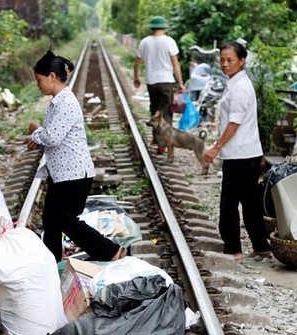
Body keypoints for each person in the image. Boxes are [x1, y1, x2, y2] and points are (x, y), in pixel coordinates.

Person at [26, 50, 126, 263]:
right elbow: (51, 134)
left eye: (39, 80)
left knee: (66, 220)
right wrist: (39, 134)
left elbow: (51, 136)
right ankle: (51, 264)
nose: (38, 85)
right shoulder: (57, 102)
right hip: (61, 174)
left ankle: (111, 252)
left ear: (52, 77)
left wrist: (37, 133)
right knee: (51, 221)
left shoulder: (66, 102)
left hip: (74, 174)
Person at [202, 42, 272, 260]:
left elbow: (234, 122)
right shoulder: (236, 83)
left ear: (242, 61)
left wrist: (216, 147)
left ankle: (233, 249)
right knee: (250, 203)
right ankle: (261, 246)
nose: (225, 64)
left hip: (239, 154)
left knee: (229, 203)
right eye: (222, 59)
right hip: (247, 152)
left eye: (230, 60)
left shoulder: (240, 87)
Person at [133, 16, 184, 154]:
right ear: (164, 27)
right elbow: (175, 63)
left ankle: (156, 139)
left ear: (152, 28)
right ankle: (163, 144)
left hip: (151, 82)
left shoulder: (145, 42)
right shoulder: (169, 41)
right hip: (166, 81)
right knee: (165, 112)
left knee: (154, 109)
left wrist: (136, 78)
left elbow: (137, 62)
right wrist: (180, 82)